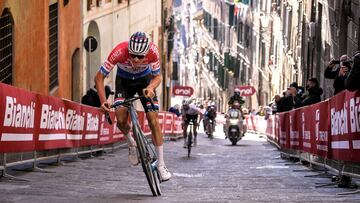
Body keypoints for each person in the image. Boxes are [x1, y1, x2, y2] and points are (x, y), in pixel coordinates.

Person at [94, 32, 171, 181]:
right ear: (128, 50)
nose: (136, 59)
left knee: (153, 119)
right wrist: (103, 101)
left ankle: (161, 165)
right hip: (124, 81)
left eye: (140, 57)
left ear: (146, 54)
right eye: (133, 55)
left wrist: (151, 87)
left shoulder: (153, 51)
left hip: (145, 80)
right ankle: (131, 142)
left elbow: (158, 76)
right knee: (121, 118)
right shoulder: (119, 52)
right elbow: (99, 77)